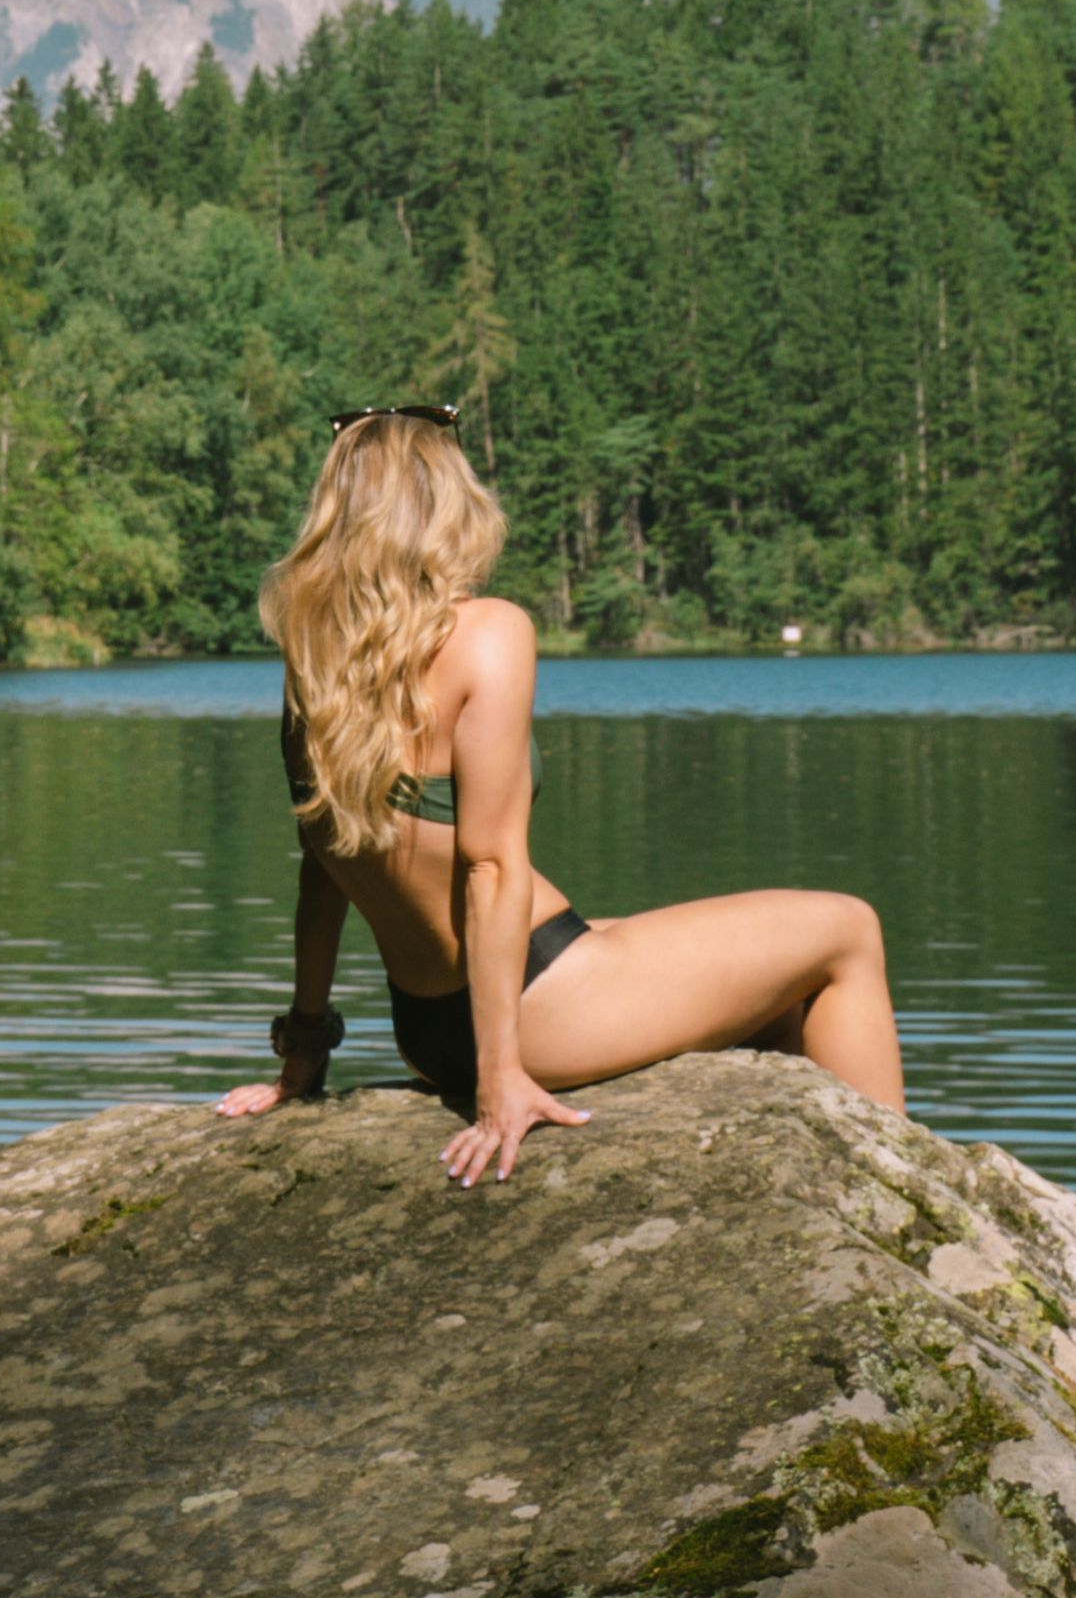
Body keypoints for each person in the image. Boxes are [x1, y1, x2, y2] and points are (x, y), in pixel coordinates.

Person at [218, 407, 906, 1189]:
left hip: (425, 1026)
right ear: (442, 506)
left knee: (774, 992)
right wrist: (500, 1076)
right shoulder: (487, 632)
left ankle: (814, 1185)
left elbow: (321, 868)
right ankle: (910, 1193)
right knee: (847, 931)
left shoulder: (316, 657)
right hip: (534, 1008)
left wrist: (303, 1053)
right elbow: (491, 869)